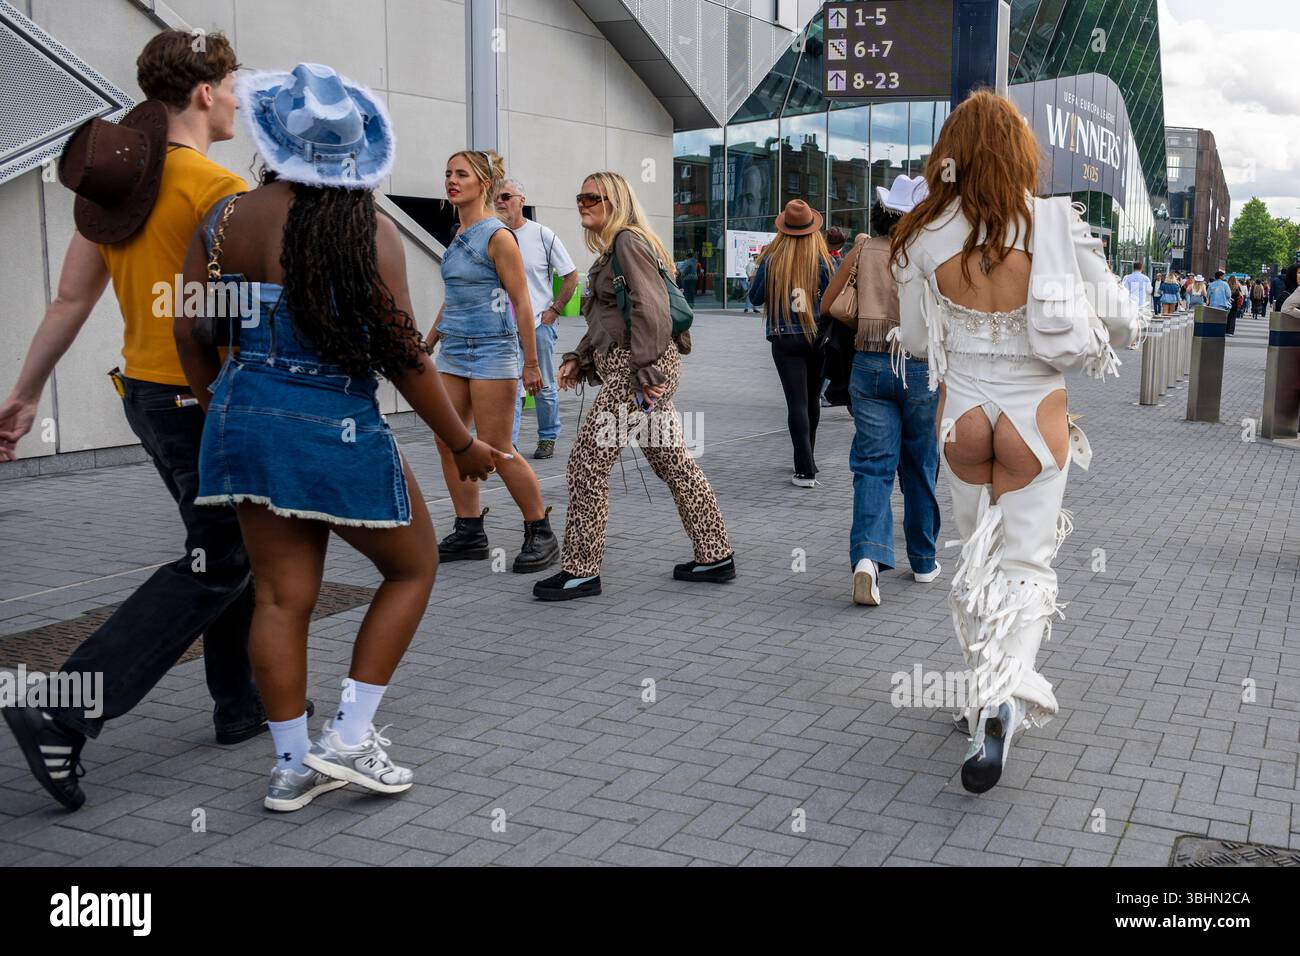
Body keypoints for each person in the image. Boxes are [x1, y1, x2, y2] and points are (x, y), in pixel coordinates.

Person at [175, 63, 507, 812]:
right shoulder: (370, 231)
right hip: (338, 423)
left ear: (272, 140)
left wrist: (218, 408)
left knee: (281, 598)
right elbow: (403, 354)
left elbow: (192, 330)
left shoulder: (226, 220)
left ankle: (292, 767)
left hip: (245, 418)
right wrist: (461, 444)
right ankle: (350, 738)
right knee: (415, 567)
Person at [0, 30, 272, 811]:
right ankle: (65, 706)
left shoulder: (120, 181)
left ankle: (240, 705)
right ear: (202, 93)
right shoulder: (215, 188)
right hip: (206, 396)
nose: (236, 101)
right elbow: (229, 316)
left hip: (149, 397)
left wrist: (24, 394)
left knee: (228, 542)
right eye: (231, 86)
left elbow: (70, 299)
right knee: (217, 558)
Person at [892, 90, 1141, 794]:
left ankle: (983, 694)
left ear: (951, 155)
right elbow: (1125, 323)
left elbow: (913, 341)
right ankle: (1001, 699)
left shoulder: (922, 235)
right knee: (1027, 565)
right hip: (1037, 417)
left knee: (976, 561)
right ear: (1021, 154)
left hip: (963, 416)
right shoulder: (1055, 223)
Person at [534, 171, 736, 600]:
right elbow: (611, 320)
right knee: (673, 464)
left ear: (617, 201)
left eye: (594, 197)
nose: (583, 203)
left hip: (638, 371)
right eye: (580, 196)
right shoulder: (614, 251)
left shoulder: (627, 242)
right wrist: (579, 357)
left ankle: (581, 570)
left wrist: (644, 372)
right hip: (639, 366)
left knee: (587, 463)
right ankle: (715, 554)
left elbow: (651, 309)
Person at [425, 150, 559, 573]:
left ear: (483, 183)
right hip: (453, 351)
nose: (451, 180)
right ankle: (469, 530)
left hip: (492, 351)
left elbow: (522, 302)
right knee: (447, 440)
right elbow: (455, 300)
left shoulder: (498, 237)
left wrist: (531, 363)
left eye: (461, 174)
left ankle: (540, 530)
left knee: (498, 449)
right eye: (448, 173)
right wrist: (428, 342)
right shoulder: (457, 235)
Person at [822, 175, 940, 607]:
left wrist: (856, 259)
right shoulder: (932, 252)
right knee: (921, 463)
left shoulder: (864, 249)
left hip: (869, 363)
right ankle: (924, 560)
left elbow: (828, 304)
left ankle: (867, 561)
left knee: (872, 467)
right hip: (919, 366)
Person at [747, 200, 833, 487]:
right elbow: (833, 297)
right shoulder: (821, 260)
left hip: (785, 338)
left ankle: (804, 469)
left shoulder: (772, 260)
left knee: (796, 402)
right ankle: (809, 460)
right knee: (812, 401)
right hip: (817, 336)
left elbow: (755, 298)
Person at [492, 178, 578, 460]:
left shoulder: (542, 235)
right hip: (504, 327)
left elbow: (571, 276)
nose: (501, 202)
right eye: (496, 198)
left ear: (521, 200)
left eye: (506, 196)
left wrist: (555, 309)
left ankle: (547, 437)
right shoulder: (493, 235)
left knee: (541, 385)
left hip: (538, 325)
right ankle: (510, 444)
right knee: (510, 387)